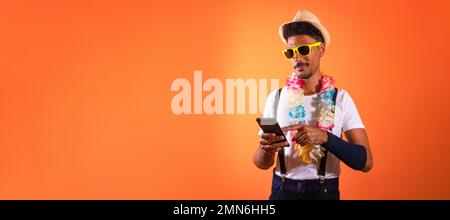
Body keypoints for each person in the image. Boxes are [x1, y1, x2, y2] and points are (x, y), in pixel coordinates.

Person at [253, 9, 373, 200]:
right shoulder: (275, 98)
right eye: (291, 52)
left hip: (324, 192)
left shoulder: (340, 99)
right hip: (282, 191)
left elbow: (365, 162)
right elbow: (261, 163)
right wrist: (265, 150)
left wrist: (325, 137)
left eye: (303, 50)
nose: (297, 58)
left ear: (321, 49)